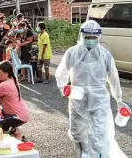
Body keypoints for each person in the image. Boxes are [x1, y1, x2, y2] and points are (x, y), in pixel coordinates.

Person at [55, 20, 129, 158]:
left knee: (100, 136)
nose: (90, 40)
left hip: (99, 101)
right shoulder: (72, 52)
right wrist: (63, 86)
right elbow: (61, 72)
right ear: (82, 36)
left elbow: (113, 78)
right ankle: (83, 155)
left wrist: (119, 99)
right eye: (87, 37)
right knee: (78, 134)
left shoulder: (104, 54)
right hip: (78, 99)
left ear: (98, 37)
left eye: (93, 37)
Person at [0, 61, 30, 140]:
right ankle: (17, 135)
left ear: (6, 74)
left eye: (0, 73)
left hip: (17, 116)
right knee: (3, 122)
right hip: (22, 113)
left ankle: (13, 141)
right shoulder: (13, 80)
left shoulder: (4, 85)